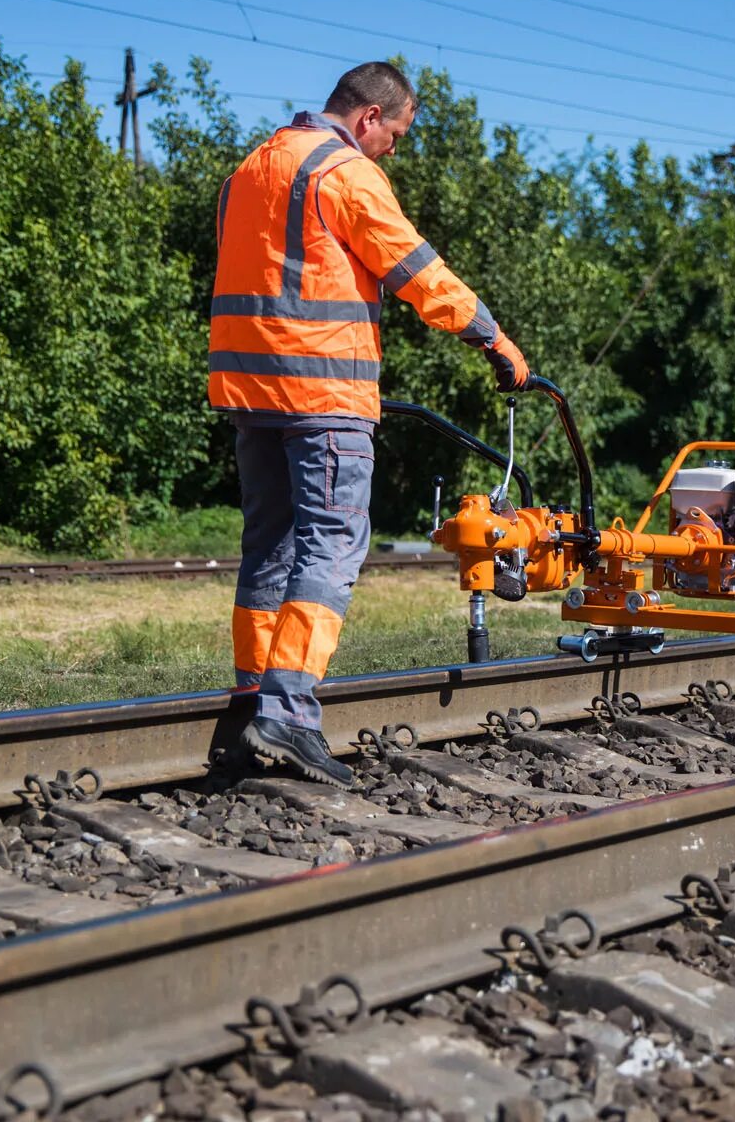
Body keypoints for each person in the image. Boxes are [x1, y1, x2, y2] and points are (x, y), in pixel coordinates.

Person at [208, 61, 529, 788]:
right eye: (397, 135)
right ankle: (288, 712)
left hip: (250, 393)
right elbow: (418, 272)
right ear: (368, 119)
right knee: (331, 545)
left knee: (269, 546)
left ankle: (252, 699)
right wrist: (493, 339)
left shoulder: (250, 168)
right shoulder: (342, 172)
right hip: (324, 395)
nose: (394, 151)